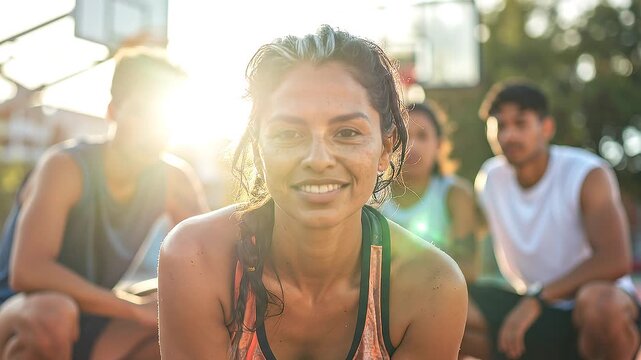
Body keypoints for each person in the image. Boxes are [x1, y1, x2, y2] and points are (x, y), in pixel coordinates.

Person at [158, 25, 467, 359]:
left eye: (347, 132)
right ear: (258, 148)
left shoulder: (432, 286)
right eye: (289, 134)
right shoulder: (197, 258)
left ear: (384, 149)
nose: (318, 160)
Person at [0, 47, 209, 359]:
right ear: (113, 111)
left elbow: (211, 259)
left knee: (172, 324)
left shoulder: (174, 179)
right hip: (18, 306)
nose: (155, 129)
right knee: (54, 314)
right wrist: (134, 308)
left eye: (164, 117)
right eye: (142, 112)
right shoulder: (66, 167)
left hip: (95, 311)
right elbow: (28, 272)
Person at [462, 81, 639, 359]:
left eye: (521, 123)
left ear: (546, 128)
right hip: (531, 306)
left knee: (601, 305)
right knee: (447, 302)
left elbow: (616, 259)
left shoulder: (586, 173)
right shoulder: (490, 179)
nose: (509, 135)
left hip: (585, 305)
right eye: (500, 125)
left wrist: (539, 298)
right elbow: (466, 239)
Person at [381, 101, 480, 283]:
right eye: (403, 135)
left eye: (422, 136)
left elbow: (469, 268)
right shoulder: (373, 196)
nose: (412, 145)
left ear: (439, 145)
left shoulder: (455, 194)